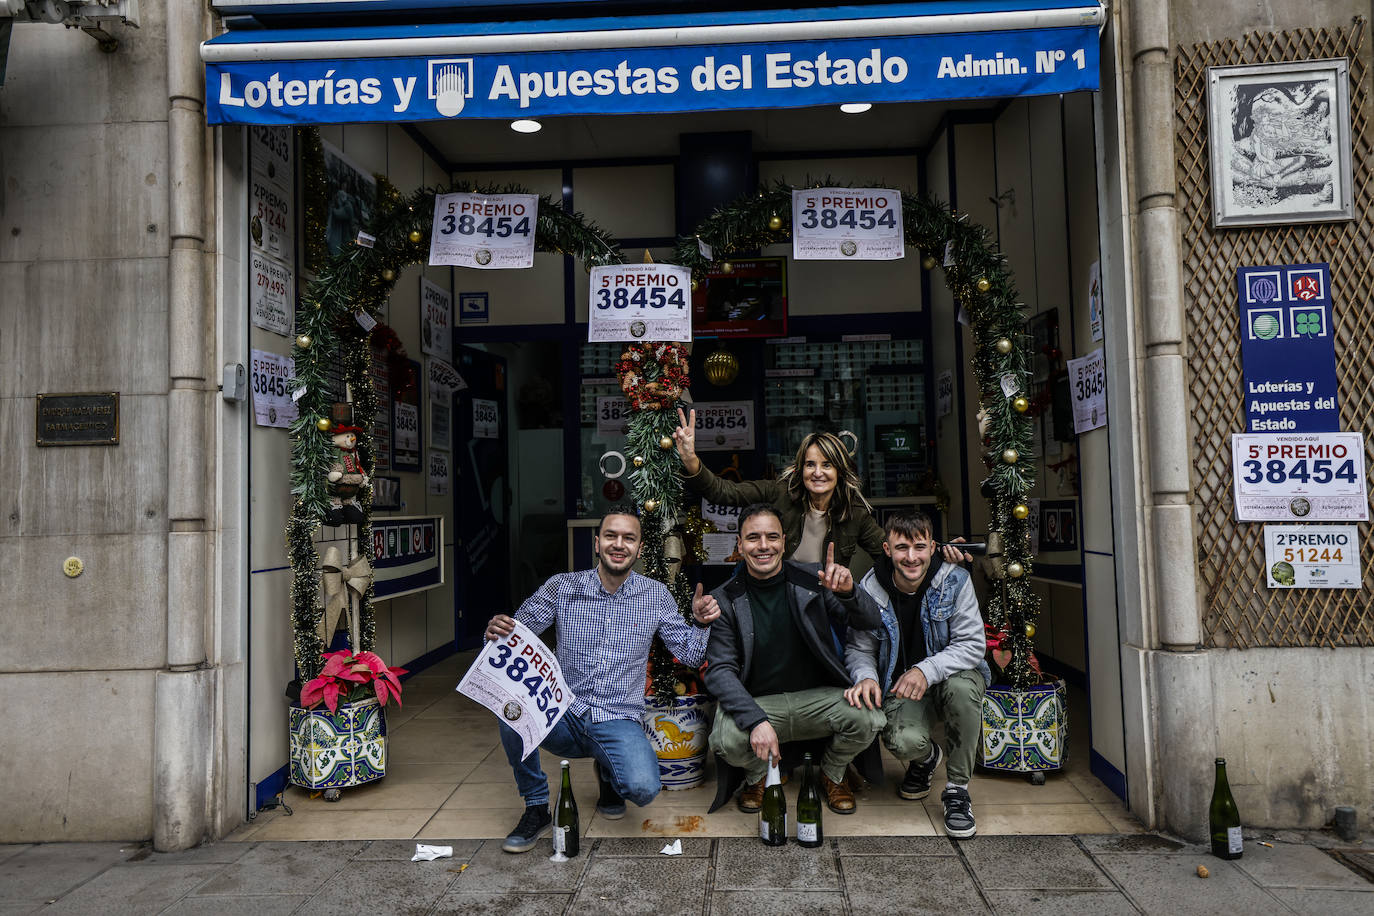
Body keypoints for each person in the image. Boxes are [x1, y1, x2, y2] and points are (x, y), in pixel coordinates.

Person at [484, 504, 721, 853]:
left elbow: (690, 654)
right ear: (597, 543)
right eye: (611, 536)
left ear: (639, 549)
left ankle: (609, 777)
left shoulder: (655, 596)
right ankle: (535, 807)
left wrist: (700, 623)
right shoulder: (562, 588)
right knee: (511, 708)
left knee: (643, 789)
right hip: (562, 713)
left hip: (617, 718)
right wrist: (495, 631)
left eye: (629, 538)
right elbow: (515, 636)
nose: (619, 544)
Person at [701, 503, 886, 814]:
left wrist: (849, 591)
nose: (763, 546)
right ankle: (759, 776)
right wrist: (756, 720)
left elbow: (869, 621)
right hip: (762, 704)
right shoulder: (725, 599)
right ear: (740, 545)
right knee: (723, 739)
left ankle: (833, 772)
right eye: (753, 538)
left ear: (784, 543)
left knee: (870, 718)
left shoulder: (813, 579)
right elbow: (720, 671)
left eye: (772, 537)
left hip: (816, 700)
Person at [844, 510, 992, 838]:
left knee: (963, 690)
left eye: (919, 547)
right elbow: (859, 649)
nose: (911, 557)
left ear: (932, 547)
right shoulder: (869, 589)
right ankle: (926, 758)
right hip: (902, 687)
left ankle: (956, 791)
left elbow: (971, 645)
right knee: (901, 740)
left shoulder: (955, 580)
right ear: (887, 549)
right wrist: (866, 676)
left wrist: (926, 670)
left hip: (952, 676)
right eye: (901, 548)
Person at [674, 407, 884, 568]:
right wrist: (690, 458)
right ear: (800, 469)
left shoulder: (854, 512)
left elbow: (888, 555)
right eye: (810, 464)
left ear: (840, 471)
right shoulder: (780, 493)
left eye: (827, 465)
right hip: (778, 595)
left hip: (823, 603)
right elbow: (723, 492)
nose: (818, 472)